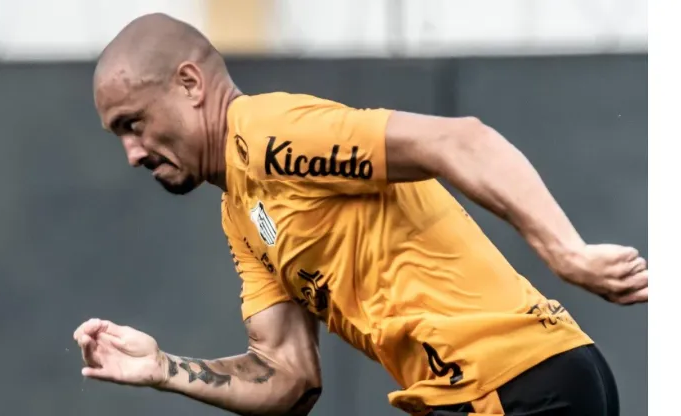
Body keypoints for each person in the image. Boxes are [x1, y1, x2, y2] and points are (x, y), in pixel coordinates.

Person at [73, 13, 647, 416]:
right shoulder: (241, 213)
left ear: (190, 84)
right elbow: (290, 378)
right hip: (517, 384)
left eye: (134, 123)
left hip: (513, 384)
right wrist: (163, 369)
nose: (132, 153)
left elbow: (459, 140)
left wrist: (566, 252)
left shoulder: (272, 134)